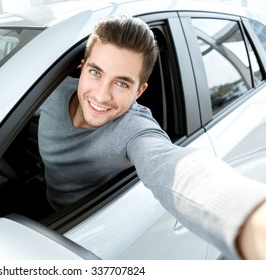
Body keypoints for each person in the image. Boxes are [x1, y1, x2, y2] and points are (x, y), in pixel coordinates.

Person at [38, 15, 266, 259]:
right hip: (44, 202)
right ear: (82, 67)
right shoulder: (52, 93)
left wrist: (248, 219)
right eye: (96, 72)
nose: (102, 96)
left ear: (139, 91)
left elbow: (170, 165)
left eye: (122, 84)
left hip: (80, 234)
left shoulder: (134, 128)